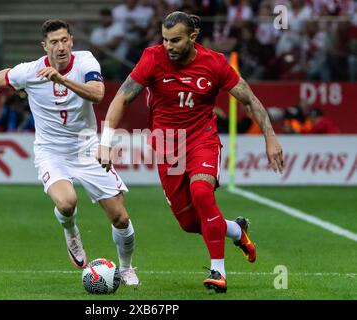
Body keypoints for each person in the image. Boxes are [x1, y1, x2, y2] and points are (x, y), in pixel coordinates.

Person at [97, 11, 283, 293]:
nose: (168, 46)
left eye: (175, 40)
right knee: (189, 223)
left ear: (193, 37)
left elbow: (249, 99)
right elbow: (122, 96)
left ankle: (218, 272)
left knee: (201, 193)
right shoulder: (153, 58)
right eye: (165, 39)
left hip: (202, 139)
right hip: (167, 145)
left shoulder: (215, 63)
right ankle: (235, 230)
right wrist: (105, 141)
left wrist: (270, 137)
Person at [0, 19, 139, 285]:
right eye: (54, 42)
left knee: (120, 218)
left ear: (72, 41)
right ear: (45, 46)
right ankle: (71, 232)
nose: (61, 46)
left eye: (65, 40)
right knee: (67, 203)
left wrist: (62, 79)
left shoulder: (86, 61)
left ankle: (126, 268)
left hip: (86, 149)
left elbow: (98, 94)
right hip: (51, 152)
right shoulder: (30, 71)